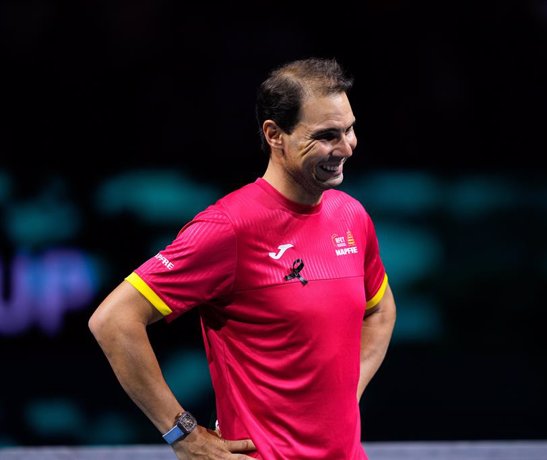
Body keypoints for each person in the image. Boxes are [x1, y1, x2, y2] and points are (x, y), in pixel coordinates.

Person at [88, 57, 397, 460]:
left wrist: (342, 394)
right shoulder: (228, 228)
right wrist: (183, 435)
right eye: (326, 135)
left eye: (349, 129)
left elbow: (381, 310)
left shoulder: (351, 216)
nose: (346, 147)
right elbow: (113, 321)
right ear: (274, 134)